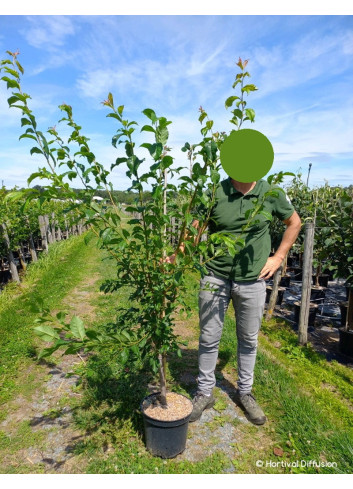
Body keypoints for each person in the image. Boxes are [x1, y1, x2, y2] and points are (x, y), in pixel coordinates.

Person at [167, 176, 301, 425]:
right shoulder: (216, 192)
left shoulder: (270, 193)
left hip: (252, 279)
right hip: (214, 276)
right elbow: (195, 229)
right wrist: (178, 255)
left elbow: (294, 222)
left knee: (249, 339)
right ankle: (204, 392)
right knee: (208, 337)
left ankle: (245, 392)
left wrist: (278, 257)